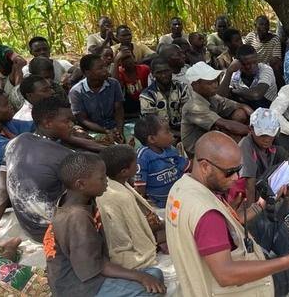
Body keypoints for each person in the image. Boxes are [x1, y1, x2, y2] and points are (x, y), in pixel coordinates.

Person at [165, 131, 289, 296]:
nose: (236, 178)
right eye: (230, 172)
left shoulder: (182, 187)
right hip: (248, 289)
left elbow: (233, 222)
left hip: (203, 279)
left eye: (238, 170)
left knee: (270, 219)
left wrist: (261, 203)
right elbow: (226, 275)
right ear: (205, 166)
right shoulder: (208, 216)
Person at [43, 152, 166, 296]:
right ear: (81, 184)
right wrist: (141, 277)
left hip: (89, 272)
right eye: (102, 178)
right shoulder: (77, 218)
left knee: (155, 275)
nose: (107, 181)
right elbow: (95, 267)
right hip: (82, 288)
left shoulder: (80, 198)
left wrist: (143, 277)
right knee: (152, 291)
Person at [0, 97, 73, 241]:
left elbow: (2, 194)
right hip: (54, 233)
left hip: (28, 229)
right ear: (47, 123)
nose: (71, 125)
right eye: (67, 121)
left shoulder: (14, 144)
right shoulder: (66, 156)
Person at [96, 145, 160, 270]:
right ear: (124, 172)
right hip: (125, 250)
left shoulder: (114, 183)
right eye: (135, 164)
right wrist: (156, 226)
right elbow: (138, 232)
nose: (138, 166)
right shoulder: (121, 196)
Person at [181, 62, 252, 158]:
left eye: (215, 81)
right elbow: (226, 125)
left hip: (211, 138)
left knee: (240, 113)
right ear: (196, 84)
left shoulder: (212, 96)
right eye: (210, 83)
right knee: (237, 139)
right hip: (197, 150)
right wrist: (254, 131)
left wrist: (254, 117)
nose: (215, 85)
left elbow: (238, 105)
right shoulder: (193, 106)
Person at [134, 115, 189, 208]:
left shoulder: (171, 150)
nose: (172, 134)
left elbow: (185, 166)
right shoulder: (143, 156)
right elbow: (140, 187)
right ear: (152, 139)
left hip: (179, 198)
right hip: (158, 205)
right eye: (167, 132)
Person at [69, 54, 125, 142]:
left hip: (114, 127)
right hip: (92, 131)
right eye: (100, 68)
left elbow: (119, 109)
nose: (105, 70)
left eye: (105, 66)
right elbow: (83, 119)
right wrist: (106, 131)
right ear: (87, 73)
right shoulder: (76, 91)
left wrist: (119, 130)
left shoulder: (113, 84)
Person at [0, 88, 33, 199]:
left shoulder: (7, 124)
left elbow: (37, 126)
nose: (11, 107)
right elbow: (18, 151)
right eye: (6, 104)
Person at [139, 58, 189, 137]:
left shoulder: (182, 88)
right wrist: (179, 135)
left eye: (166, 71)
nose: (164, 75)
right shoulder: (147, 95)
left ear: (171, 70)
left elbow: (187, 115)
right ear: (153, 74)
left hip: (183, 129)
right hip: (159, 134)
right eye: (159, 73)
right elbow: (152, 125)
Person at [219, 45, 278, 109]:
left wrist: (232, 90)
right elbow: (220, 96)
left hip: (270, 108)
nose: (252, 67)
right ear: (238, 63)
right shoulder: (234, 72)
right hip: (248, 108)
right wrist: (229, 72)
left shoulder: (265, 69)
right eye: (247, 64)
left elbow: (256, 94)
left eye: (254, 62)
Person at [111, 46, 151, 118]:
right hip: (128, 108)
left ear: (134, 58)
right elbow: (115, 86)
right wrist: (116, 61)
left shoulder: (144, 69)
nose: (127, 61)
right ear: (120, 62)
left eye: (129, 57)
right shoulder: (119, 72)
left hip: (145, 104)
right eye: (123, 59)